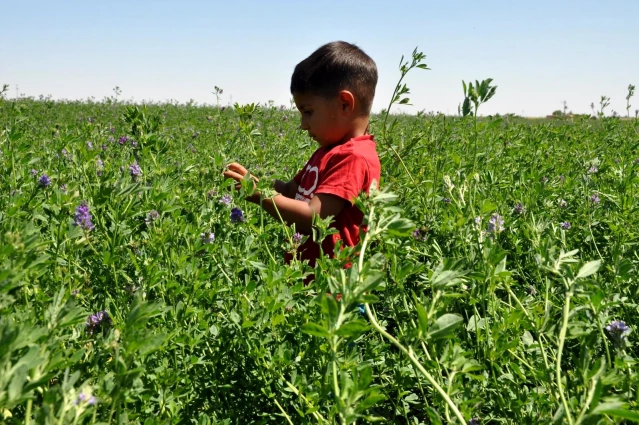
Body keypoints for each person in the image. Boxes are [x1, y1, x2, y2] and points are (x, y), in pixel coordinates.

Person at [223, 40, 381, 270]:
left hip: (336, 290)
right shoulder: (328, 151)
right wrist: (255, 182)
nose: (303, 125)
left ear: (344, 104)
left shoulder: (354, 158)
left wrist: (259, 196)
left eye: (308, 112)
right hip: (308, 280)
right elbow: (290, 191)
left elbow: (314, 218)